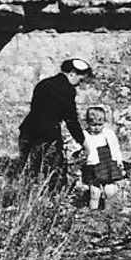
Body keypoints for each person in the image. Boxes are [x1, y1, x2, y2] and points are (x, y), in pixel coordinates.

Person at [18, 59, 91, 188]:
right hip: (47, 136)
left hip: (28, 132)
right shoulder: (67, 90)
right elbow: (71, 120)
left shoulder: (43, 84)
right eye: (80, 80)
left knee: (27, 171)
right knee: (54, 175)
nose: (79, 85)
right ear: (72, 73)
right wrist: (84, 143)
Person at [80, 106, 125, 210]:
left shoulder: (108, 133)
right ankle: (93, 214)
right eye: (93, 125)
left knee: (110, 190)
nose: (97, 128)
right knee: (94, 192)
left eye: (100, 125)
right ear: (87, 123)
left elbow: (115, 147)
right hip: (94, 164)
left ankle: (107, 213)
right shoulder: (85, 135)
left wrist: (119, 160)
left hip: (107, 162)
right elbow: (78, 146)